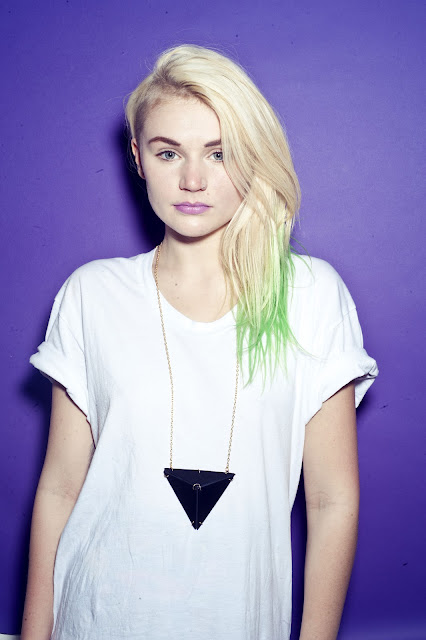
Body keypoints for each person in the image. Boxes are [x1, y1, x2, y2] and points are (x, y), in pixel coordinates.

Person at [22, 44, 378, 640]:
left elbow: (331, 500)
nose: (192, 180)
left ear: (252, 157)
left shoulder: (312, 295)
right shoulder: (92, 294)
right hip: (96, 617)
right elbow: (60, 488)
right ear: (138, 158)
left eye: (220, 153)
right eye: (169, 153)